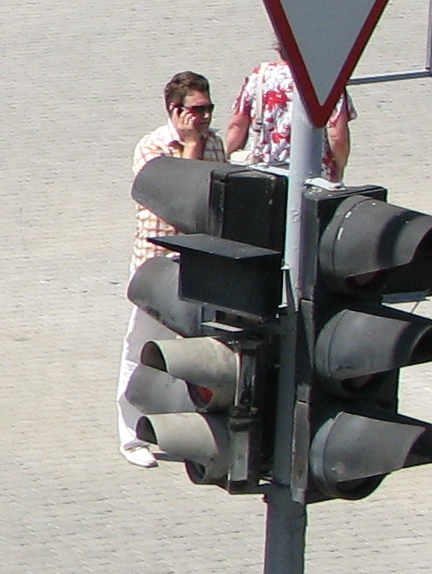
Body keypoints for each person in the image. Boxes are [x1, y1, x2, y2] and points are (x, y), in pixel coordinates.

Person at [121, 70, 224, 464]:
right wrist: (192, 145)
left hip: (198, 264)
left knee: (192, 356)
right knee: (142, 346)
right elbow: (181, 198)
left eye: (209, 108)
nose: (205, 117)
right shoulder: (153, 147)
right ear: (174, 110)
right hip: (157, 267)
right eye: (197, 110)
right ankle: (132, 436)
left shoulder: (214, 145)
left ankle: (181, 431)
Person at [227, 46, 352, 179]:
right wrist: (339, 168)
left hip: (264, 172)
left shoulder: (260, 75)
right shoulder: (325, 79)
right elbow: (337, 136)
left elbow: (237, 124)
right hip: (313, 174)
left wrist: (228, 158)